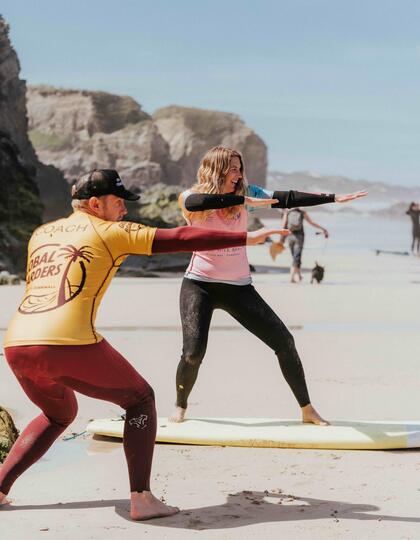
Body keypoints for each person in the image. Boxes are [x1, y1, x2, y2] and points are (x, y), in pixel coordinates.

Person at [0, 169, 285, 520]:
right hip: (66, 340)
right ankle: (141, 498)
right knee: (140, 399)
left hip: (16, 343)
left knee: (59, 414)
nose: (124, 211)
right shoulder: (111, 231)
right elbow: (179, 237)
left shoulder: (42, 234)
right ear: (95, 203)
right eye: (118, 202)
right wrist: (246, 238)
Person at [169, 146, 367, 425]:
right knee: (193, 354)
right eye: (232, 168)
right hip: (200, 285)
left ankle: (307, 409)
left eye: (240, 168)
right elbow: (197, 204)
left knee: (284, 342)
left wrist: (333, 198)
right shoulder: (190, 197)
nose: (238, 174)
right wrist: (243, 200)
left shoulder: (248, 195)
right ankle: (180, 406)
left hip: (239, 287)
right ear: (216, 169)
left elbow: (286, 198)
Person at [282, 207, 329, 283]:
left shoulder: (287, 212)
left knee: (295, 257)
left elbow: (283, 226)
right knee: (297, 257)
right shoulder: (302, 212)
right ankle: (292, 278)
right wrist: (323, 229)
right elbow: (312, 223)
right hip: (299, 237)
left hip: (290, 236)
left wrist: (281, 239)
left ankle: (298, 276)